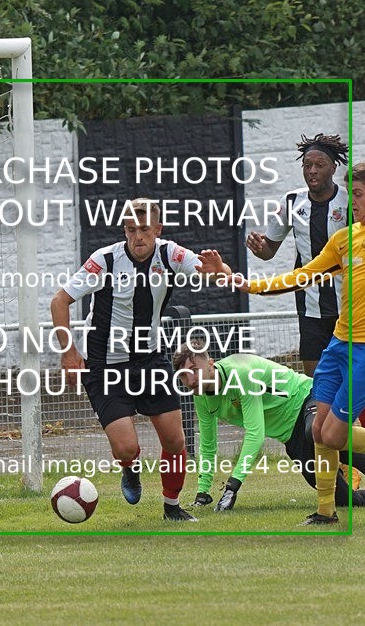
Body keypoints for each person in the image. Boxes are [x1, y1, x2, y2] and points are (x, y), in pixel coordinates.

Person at [234, 160, 365, 524]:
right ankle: (326, 512)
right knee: (319, 433)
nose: (352, 202)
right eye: (350, 193)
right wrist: (252, 286)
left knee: (334, 433)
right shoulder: (343, 239)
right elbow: (303, 275)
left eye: (358, 194)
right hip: (339, 346)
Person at [50, 198, 232, 522]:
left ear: (157, 229)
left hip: (150, 360)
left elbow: (210, 273)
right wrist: (69, 351)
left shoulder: (170, 254)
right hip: (105, 366)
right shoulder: (104, 261)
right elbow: (60, 301)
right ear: (124, 231)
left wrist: (222, 272)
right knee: (125, 448)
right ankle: (130, 469)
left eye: (145, 229)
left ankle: (172, 507)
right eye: (131, 230)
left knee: (176, 440)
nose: (138, 237)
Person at [246, 133, 365, 487]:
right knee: (316, 390)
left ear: (334, 168)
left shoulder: (350, 203)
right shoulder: (291, 203)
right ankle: (338, 471)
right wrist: (260, 246)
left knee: (359, 386)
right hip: (309, 310)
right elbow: (269, 252)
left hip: (351, 309)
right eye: (307, 165)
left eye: (319, 165)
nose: (312, 171)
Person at [172, 341, 365, 511]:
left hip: (306, 398)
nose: (190, 379)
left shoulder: (240, 373)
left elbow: (256, 433)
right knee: (342, 499)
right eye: (183, 375)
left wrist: (233, 485)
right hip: (290, 436)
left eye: (193, 369)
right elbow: (208, 446)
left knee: (320, 432)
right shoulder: (202, 398)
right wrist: (203, 492)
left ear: (210, 363)